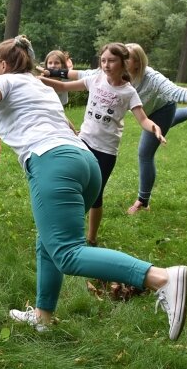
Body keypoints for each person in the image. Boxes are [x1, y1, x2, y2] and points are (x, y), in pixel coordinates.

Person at [0, 36, 187, 341]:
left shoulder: (7, 83)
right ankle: (43, 317)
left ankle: (161, 278)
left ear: (3, 65)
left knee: (67, 252)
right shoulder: (38, 85)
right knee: (48, 242)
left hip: (53, 163)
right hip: (85, 162)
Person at [42, 43, 187, 214]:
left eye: (125, 58)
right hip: (144, 114)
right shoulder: (109, 74)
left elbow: (178, 92)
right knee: (165, 124)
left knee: (145, 153)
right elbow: (77, 74)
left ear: (137, 62)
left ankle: (143, 200)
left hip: (162, 110)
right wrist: (50, 72)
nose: (116, 61)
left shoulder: (151, 77)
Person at [40, 43, 166, 246]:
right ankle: (65, 230)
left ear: (124, 63)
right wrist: (38, 80)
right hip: (83, 142)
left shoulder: (128, 92)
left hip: (106, 151)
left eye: (112, 61)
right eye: (104, 60)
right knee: (73, 186)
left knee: (95, 195)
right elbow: (63, 86)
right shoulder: (95, 79)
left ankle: (91, 239)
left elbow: (143, 119)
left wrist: (155, 128)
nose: (106, 65)